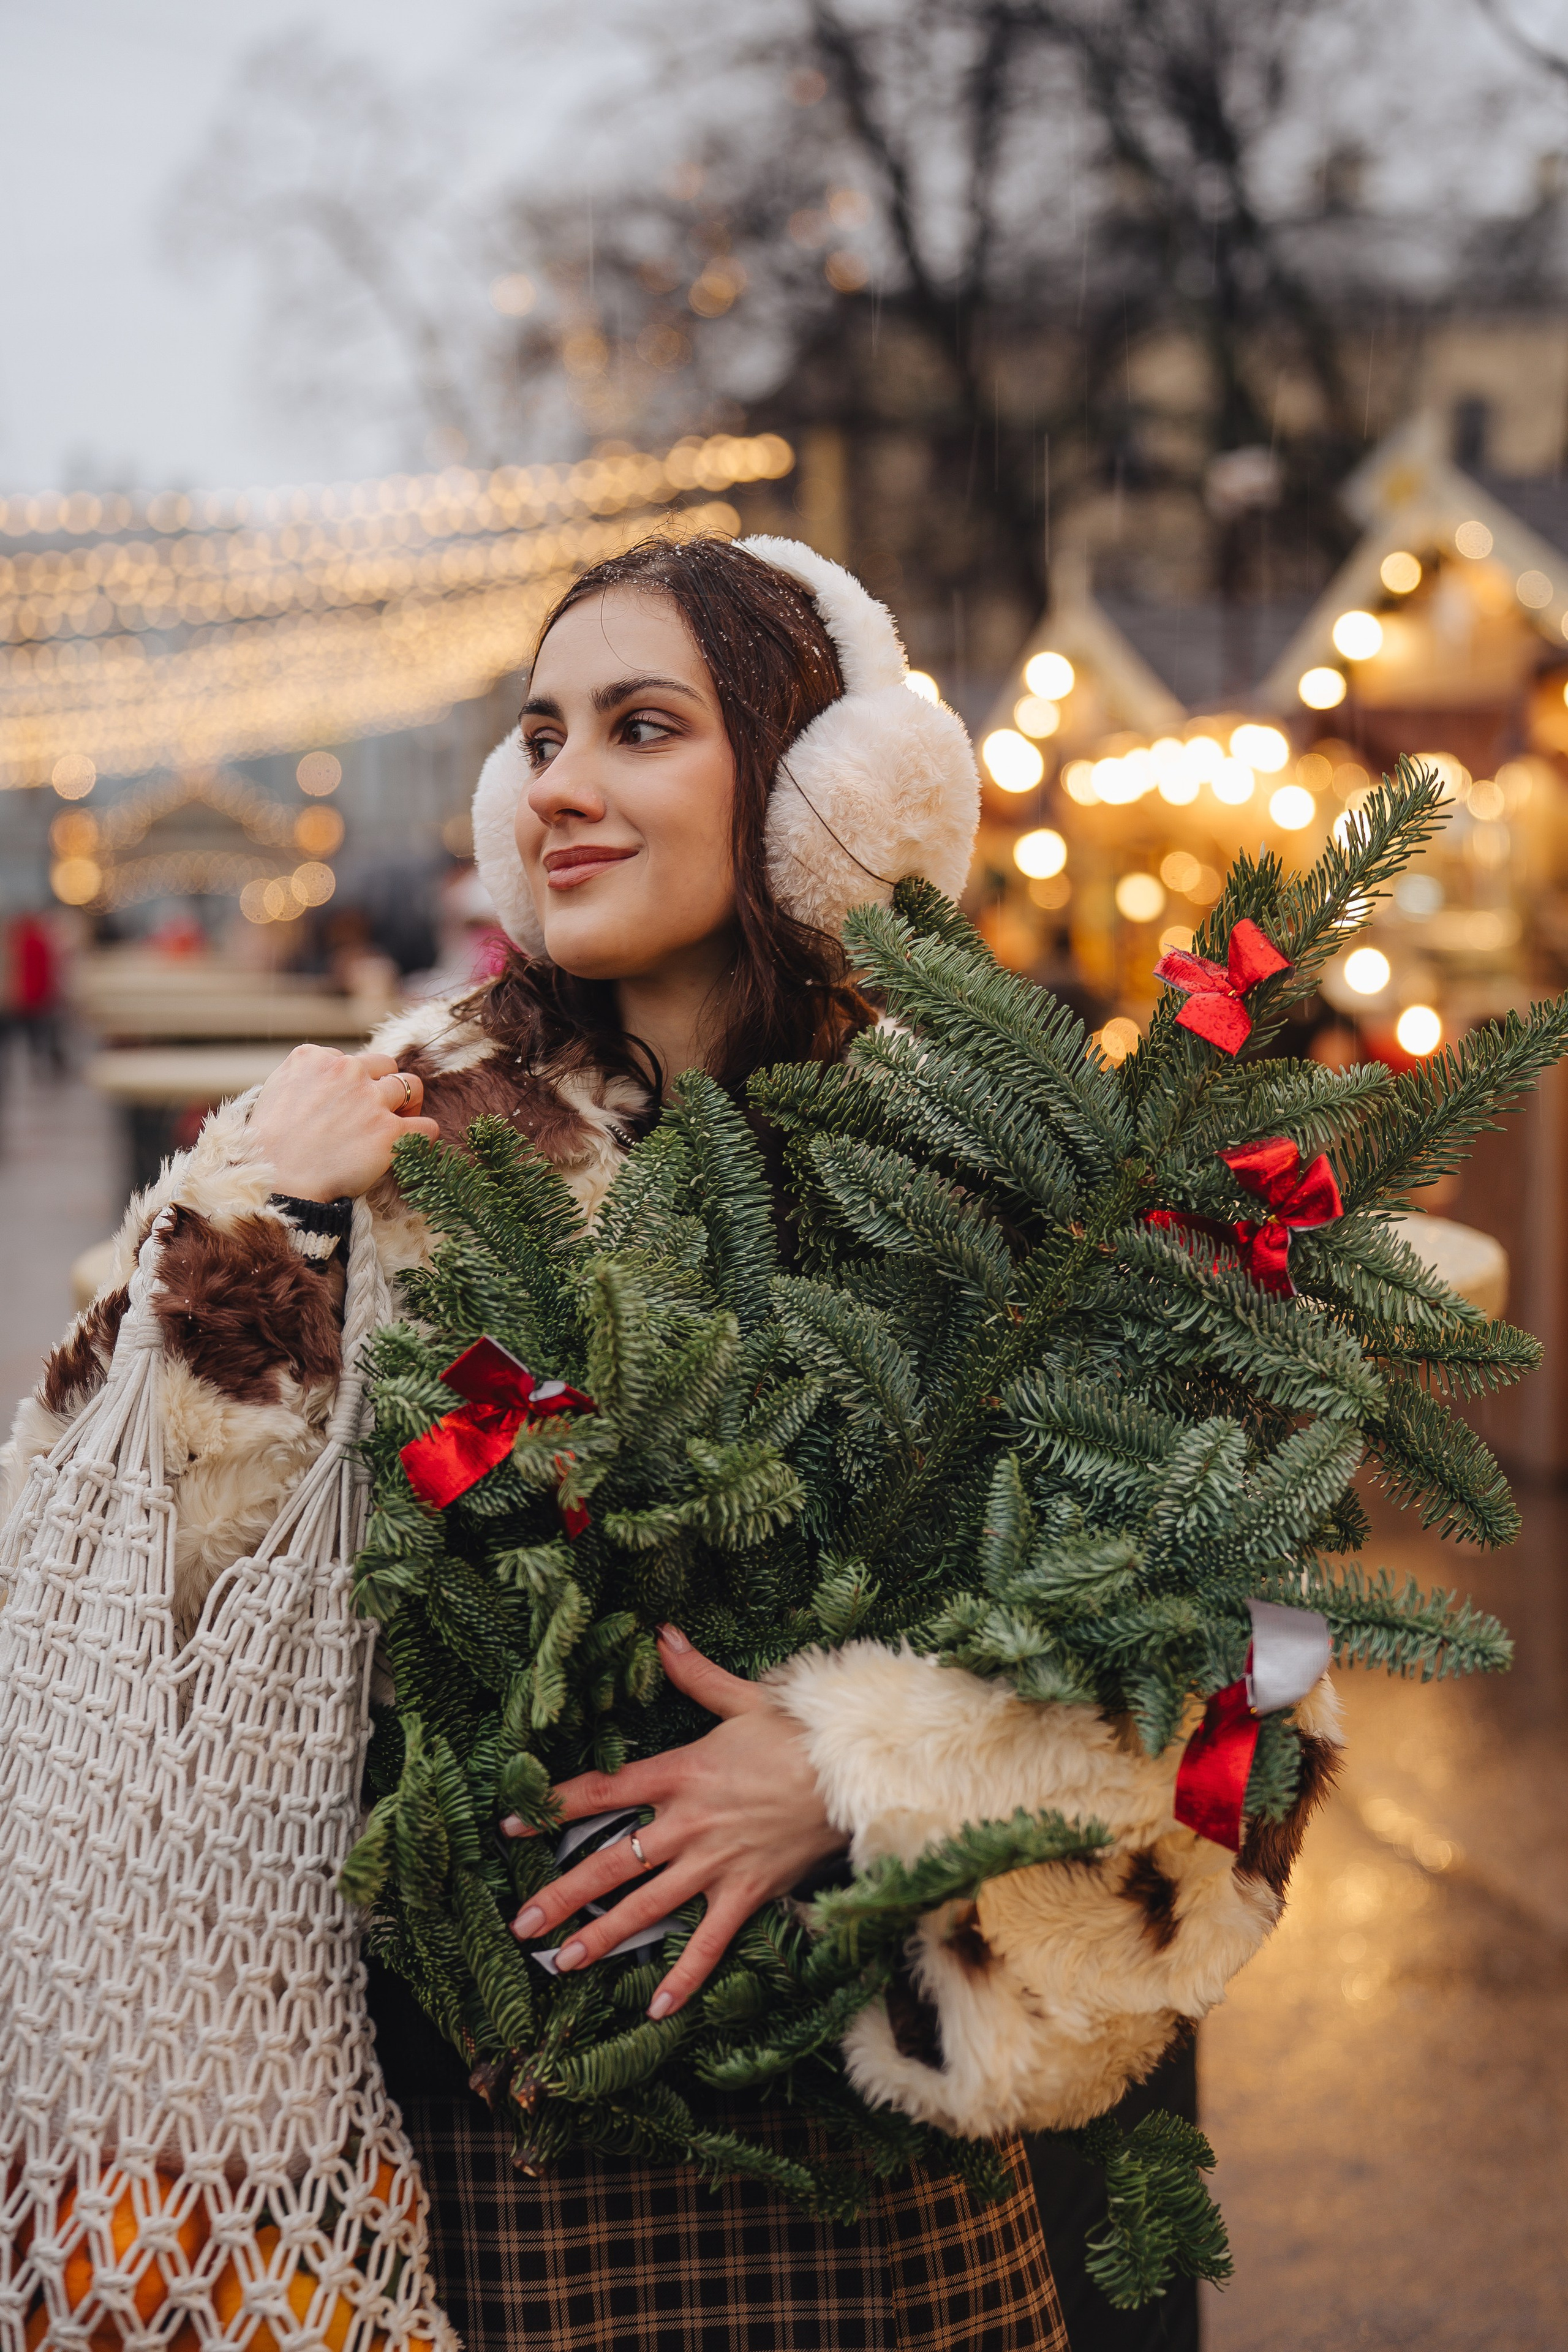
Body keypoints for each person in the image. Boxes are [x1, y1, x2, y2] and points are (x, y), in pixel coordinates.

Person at [5, 535, 1069, 2350]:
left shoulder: (994, 1156)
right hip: (486, 2159)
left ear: (821, 786)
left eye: (639, 728)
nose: (560, 785)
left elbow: (1242, 1652)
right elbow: (97, 1557)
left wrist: (864, 1766)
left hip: (878, 2147)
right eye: (540, 737)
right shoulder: (393, 1118)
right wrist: (262, 1216)